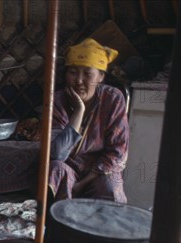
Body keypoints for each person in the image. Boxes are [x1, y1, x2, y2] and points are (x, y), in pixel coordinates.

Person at [49, 38, 129, 203]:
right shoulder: (58, 100)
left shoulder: (112, 98)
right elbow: (57, 154)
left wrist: (83, 184)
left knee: (110, 187)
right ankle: (57, 226)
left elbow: (117, 152)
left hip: (100, 171)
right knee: (54, 169)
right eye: (73, 72)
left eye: (87, 73)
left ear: (100, 76)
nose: (79, 80)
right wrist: (79, 111)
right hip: (68, 167)